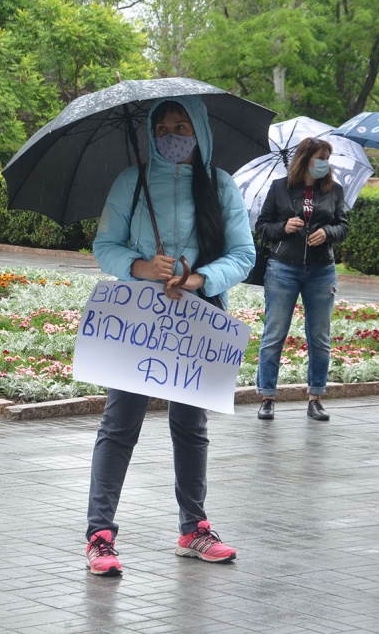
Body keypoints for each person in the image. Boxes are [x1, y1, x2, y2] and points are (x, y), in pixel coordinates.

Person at [85, 96, 256, 576]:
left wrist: (200, 278)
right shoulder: (132, 181)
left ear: (199, 130)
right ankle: (100, 535)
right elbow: (105, 246)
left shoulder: (219, 184)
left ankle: (193, 529)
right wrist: (140, 267)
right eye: (162, 128)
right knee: (119, 425)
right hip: (139, 320)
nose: (171, 136)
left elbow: (244, 255)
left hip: (198, 320)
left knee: (191, 428)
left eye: (182, 126)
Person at [254, 137, 349, 422]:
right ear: (305, 159)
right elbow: (262, 227)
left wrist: (328, 233)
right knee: (274, 334)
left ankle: (316, 398)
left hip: (321, 270)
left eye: (327, 158)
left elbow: (343, 226)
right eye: (320, 158)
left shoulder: (334, 190)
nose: (325, 163)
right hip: (283, 268)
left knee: (319, 337)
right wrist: (283, 227)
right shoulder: (279, 187)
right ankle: (267, 397)